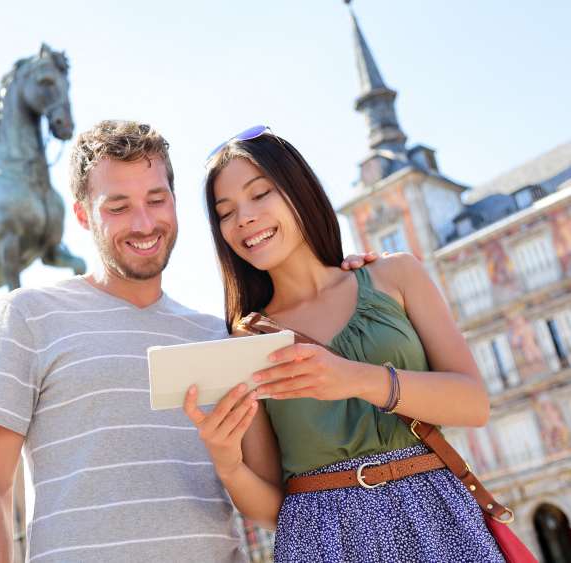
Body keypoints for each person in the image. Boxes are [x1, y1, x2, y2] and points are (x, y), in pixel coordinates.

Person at [0, 120, 374, 562]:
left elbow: (276, 504)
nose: (144, 223)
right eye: (117, 207)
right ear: (82, 215)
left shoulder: (221, 335)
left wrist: (346, 277)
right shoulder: (30, 315)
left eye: (157, 199)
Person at [183, 126, 505, 562]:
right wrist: (227, 463)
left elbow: (474, 404)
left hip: (438, 517)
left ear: (299, 191)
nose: (244, 219)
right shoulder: (246, 339)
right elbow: (271, 507)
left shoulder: (396, 276)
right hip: (323, 541)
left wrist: (355, 378)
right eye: (225, 212)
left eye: (260, 194)